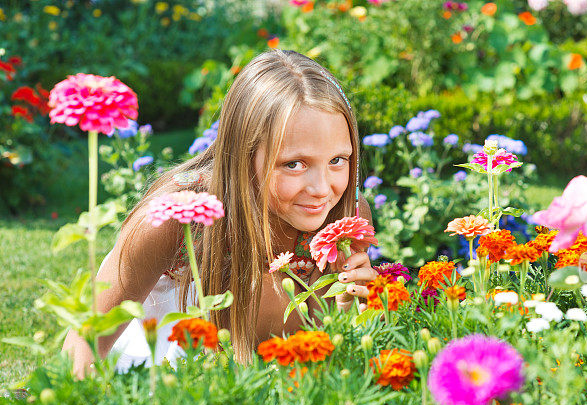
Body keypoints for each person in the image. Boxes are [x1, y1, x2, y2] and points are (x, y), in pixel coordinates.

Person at [65, 50, 378, 379]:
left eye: (337, 160)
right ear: (245, 154)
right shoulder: (180, 215)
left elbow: (320, 358)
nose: (321, 188)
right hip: (164, 385)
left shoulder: (347, 217)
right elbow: (87, 339)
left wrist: (346, 311)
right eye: (294, 164)